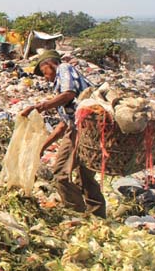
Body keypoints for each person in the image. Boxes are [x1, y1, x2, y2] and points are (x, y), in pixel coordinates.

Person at [21, 50, 106, 218]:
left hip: (85, 130)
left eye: (44, 73)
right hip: (87, 131)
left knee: (61, 173)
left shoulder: (64, 68)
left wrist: (39, 107)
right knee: (85, 177)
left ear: (49, 65)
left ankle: (77, 214)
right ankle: (97, 216)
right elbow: (63, 125)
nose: (44, 78)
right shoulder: (60, 87)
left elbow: (69, 94)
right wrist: (42, 147)